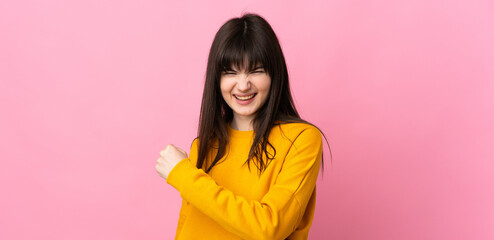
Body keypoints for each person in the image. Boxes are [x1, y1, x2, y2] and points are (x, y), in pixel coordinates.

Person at [155, 13, 331, 240]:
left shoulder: (301, 140)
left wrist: (183, 175)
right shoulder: (204, 145)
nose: (243, 84)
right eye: (230, 72)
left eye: (256, 70)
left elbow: (268, 228)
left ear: (274, 74)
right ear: (216, 80)